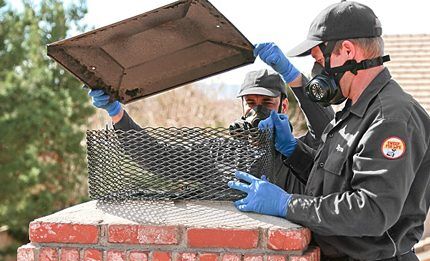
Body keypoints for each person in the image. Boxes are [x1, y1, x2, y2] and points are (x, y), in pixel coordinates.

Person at [228, 1, 430, 261]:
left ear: (347, 51)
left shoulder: (390, 117)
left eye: (320, 61)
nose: (319, 72)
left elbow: (371, 211)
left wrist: (287, 204)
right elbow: (339, 185)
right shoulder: (355, 113)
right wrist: (296, 154)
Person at [89, 68, 333, 195]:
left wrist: (297, 80)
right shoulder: (219, 153)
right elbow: (159, 158)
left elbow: (326, 129)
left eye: (266, 103)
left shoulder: (303, 153)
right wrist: (118, 115)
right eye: (250, 103)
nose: (257, 110)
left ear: (283, 105)